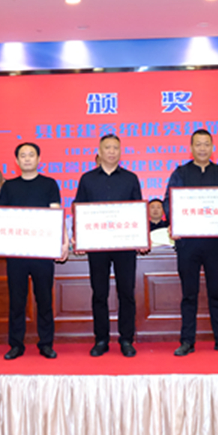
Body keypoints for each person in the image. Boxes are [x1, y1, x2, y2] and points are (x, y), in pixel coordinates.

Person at [0, 142, 68, 359]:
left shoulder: (49, 184)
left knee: (44, 300)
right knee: (17, 300)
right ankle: (16, 344)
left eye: (31, 155)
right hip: (16, 252)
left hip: (43, 252)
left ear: (39, 159)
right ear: (17, 161)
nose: (27, 158)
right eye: (23, 155)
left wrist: (64, 242)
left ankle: (46, 343)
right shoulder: (9, 186)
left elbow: (56, 214)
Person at [165, 129, 218, 356]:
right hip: (188, 244)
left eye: (206, 144)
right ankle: (187, 341)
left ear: (212, 147)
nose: (202, 148)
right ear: (191, 148)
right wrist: (174, 223)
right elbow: (169, 201)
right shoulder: (180, 173)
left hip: (216, 244)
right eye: (198, 144)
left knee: (217, 293)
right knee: (189, 295)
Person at [73, 134, 144, 358]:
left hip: (125, 246)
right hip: (97, 246)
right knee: (99, 293)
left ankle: (126, 339)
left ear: (120, 152)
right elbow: (79, 209)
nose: (112, 151)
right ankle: (101, 339)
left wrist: (141, 238)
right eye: (107, 148)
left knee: (127, 293)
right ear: (99, 152)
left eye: (115, 148)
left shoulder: (131, 179)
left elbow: (138, 211)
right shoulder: (87, 179)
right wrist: (79, 237)